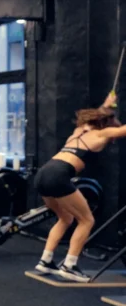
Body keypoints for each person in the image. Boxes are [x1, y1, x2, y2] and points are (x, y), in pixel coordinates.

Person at [33, 92, 125, 282]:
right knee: (86, 220)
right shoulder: (102, 133)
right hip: (58, 174)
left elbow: (98, 116)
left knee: (65, 218)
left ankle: (46, 260)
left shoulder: (79, 132)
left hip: (43, 174)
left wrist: (107, 104)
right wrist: (108, 112)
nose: (115, 123)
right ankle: (70, 265)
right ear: (106, 123)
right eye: (113, 120)